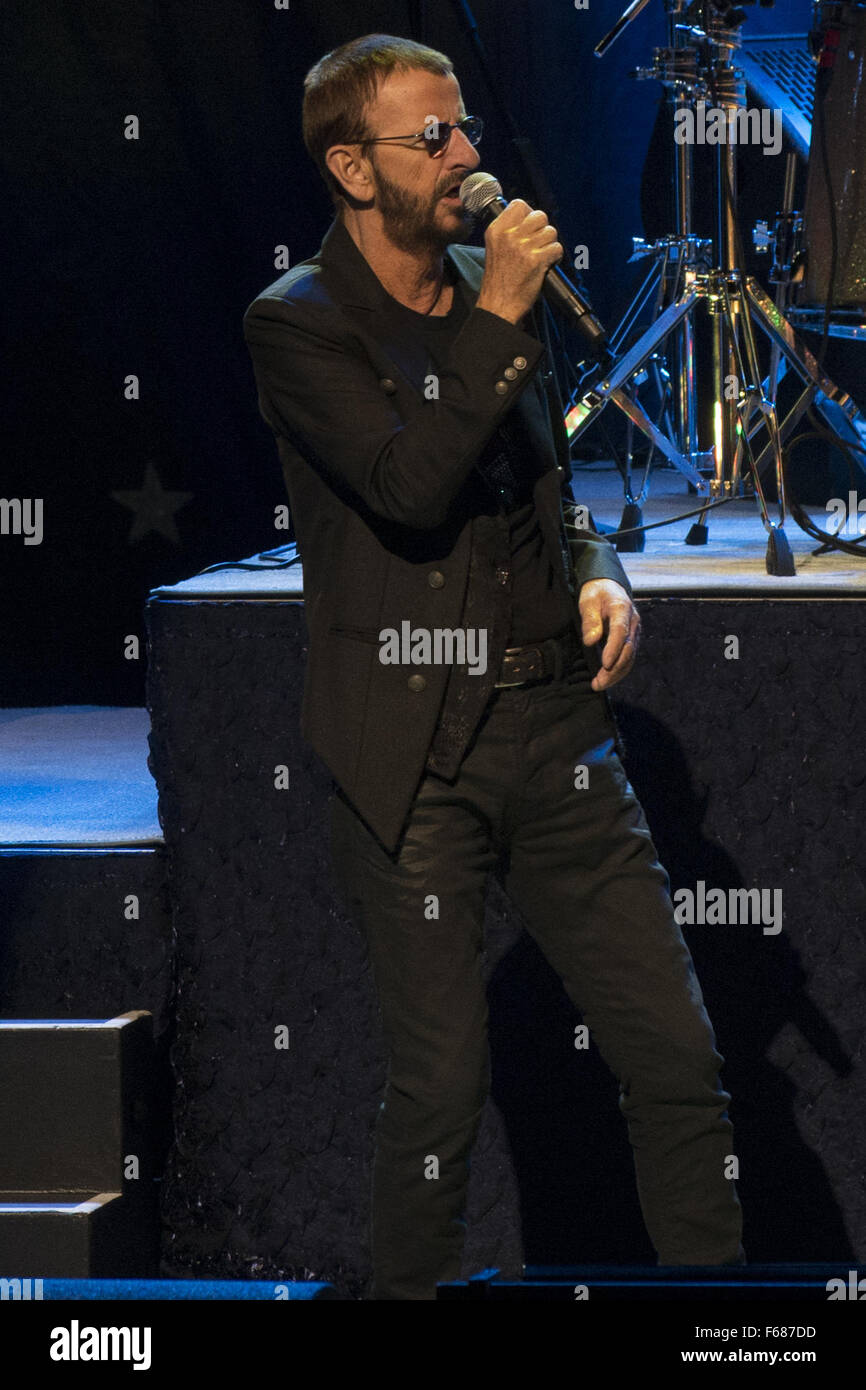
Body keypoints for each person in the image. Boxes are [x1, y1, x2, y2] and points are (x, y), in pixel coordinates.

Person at [243, 32, 745, 1301]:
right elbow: (410, 487)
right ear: (353, 169)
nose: (467, 159)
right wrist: (503, 312)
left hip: (552, 727)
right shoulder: (295, 325)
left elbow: (548, 482)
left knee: (677, 1057)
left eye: (465, 129)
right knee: (440, 1096)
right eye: (434, 139)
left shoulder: (478, 277)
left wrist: (596, 569)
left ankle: (723, 1330)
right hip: (414, 757)